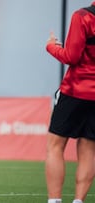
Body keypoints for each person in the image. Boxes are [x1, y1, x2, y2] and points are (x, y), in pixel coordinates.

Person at [45, 2, 95, 203]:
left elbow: (71, 57)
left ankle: (55, 200)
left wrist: (51, 47)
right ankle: (79, 201)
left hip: (75, 91)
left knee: (55, 146)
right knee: (89, 148)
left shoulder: (82, 16)